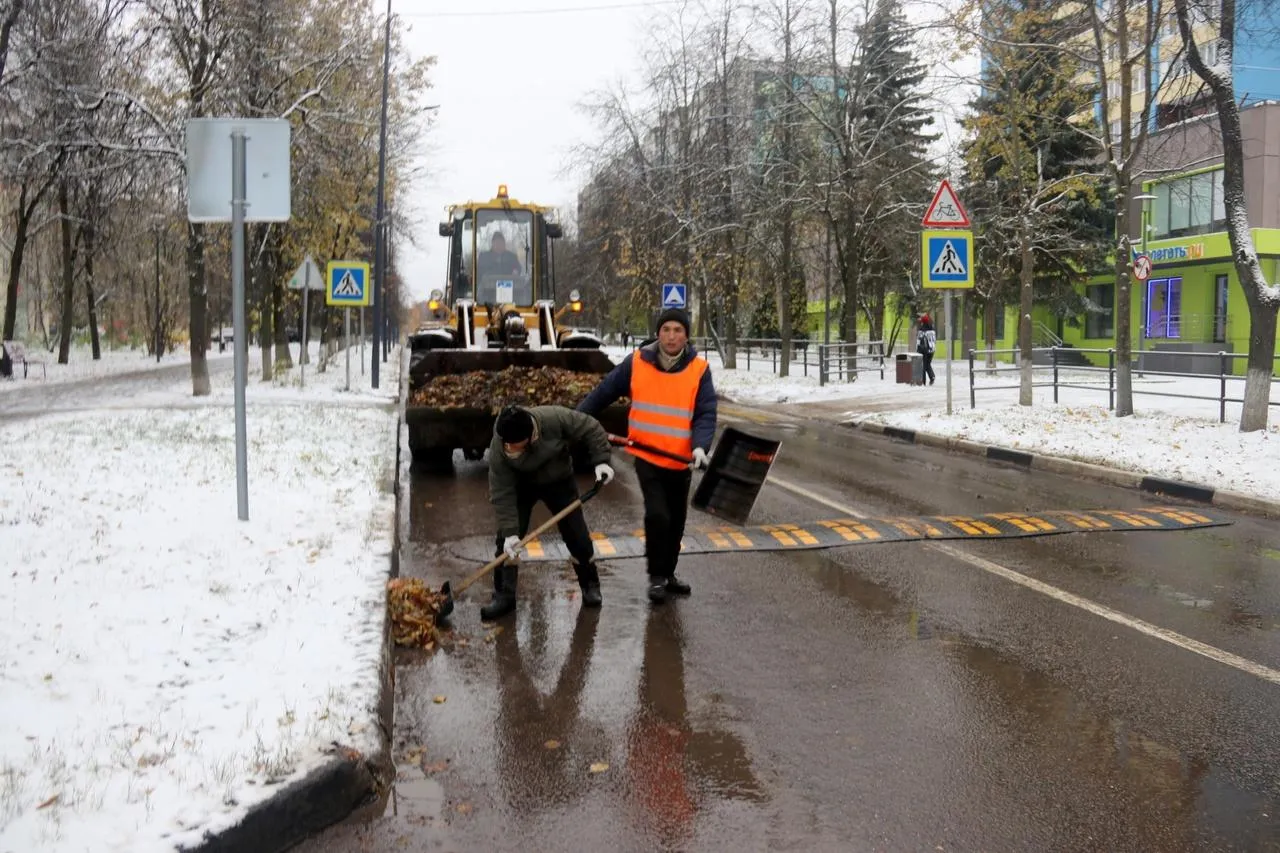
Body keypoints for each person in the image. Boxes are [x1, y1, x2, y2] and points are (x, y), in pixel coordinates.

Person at [578, 307, 716, 604]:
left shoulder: (700, 370)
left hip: (680, 461)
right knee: (658, 515)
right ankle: (656, 577)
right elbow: (604, 392)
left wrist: (701, 447)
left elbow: (706, 413)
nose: (671, 336)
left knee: (677, 521)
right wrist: (575, 420)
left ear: (687, 336)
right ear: (657, 333)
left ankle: (669, 573)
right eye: (666, 330)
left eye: (678, 330)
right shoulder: (637, 362)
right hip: (647, 457)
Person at [485, 404, 615, 620]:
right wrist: (510, 532)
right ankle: (503, 596)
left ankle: (590, 585)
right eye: (506, 444)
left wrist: (601, 461)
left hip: (558, 481)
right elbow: (501, 492)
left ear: (529, 438)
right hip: (521, 487)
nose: (508, 448)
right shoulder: (500, 447)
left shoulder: (554, 419)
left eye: (513, 445)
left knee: (577, 536)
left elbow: (591, 427)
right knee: (506, 544)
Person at [917, 313, 937, 386]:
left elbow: (919, 341)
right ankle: (932, 376)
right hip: (931, 349)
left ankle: (923, 381)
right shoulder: (932, 329)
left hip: (924, 349)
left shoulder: (922, 330)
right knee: (927, 364)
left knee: (923, 365)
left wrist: (918, 350)